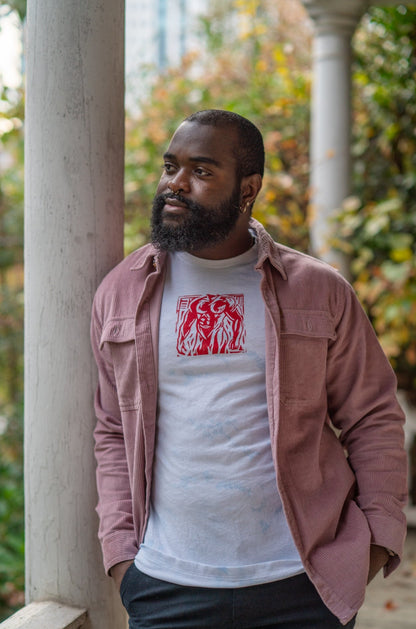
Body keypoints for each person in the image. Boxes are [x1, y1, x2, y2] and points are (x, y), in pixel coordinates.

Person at [91, 110, 408, 628]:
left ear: (248, 188)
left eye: (202, 170)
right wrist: (123, 557)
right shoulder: (121, 292)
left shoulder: (319, 290)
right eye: (170, 167)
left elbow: (373, 417)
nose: (175, 184)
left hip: (303, 585)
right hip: (165, 587)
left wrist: (375, 541)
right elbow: (111, 429)